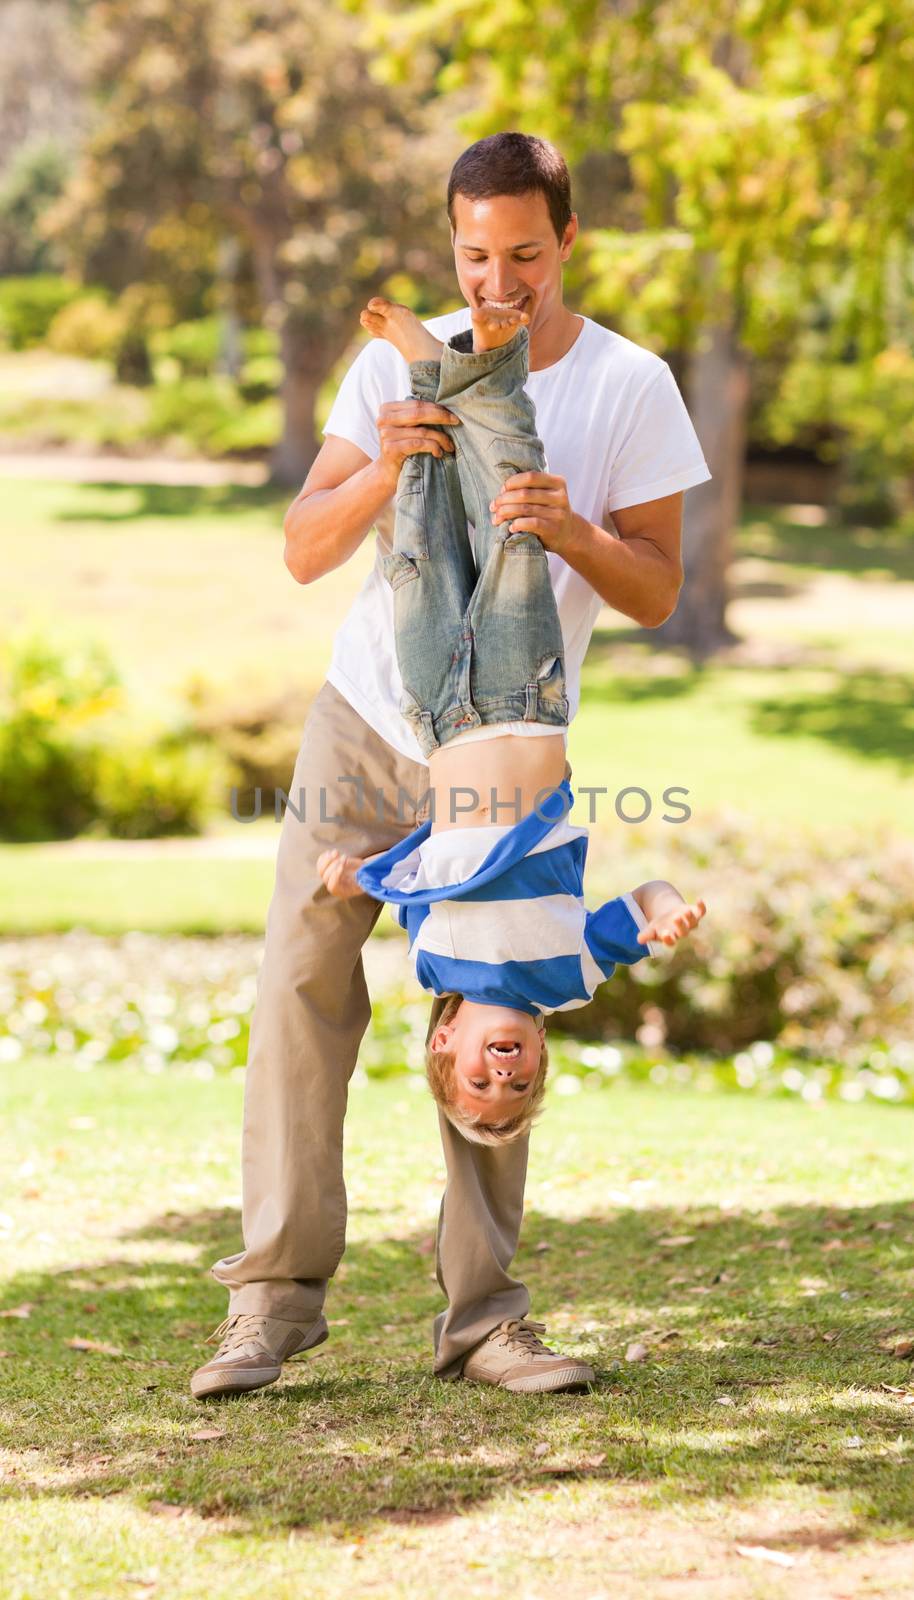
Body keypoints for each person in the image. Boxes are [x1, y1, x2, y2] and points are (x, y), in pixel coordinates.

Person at [190, 131, 711, 1402]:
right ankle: (270, 1304)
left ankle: (483, 1322)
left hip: (497, 752)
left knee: (497, 1002)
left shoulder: (629, 386)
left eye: (522, 254)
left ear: (566, 240)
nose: (495, 281)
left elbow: (654, 589)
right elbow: (305, 550)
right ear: (452, 245)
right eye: (473, 255)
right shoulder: (392, 355)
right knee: (300, 983)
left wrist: (569, 529)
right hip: (366, 717)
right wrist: (382, 466)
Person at [316, 298, 707, 1153]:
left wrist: (356, 877)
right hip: (526, 697)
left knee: (417, 542)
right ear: (538, 1058)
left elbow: (414, 870)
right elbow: (638, 904)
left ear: (442, 1043)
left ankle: (429, 367)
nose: (503, 1072)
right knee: (515, 532)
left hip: (437, 716)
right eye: (519, 1083)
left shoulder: (430, 963)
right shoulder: (569, 976)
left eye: (479, 1082)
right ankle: (496, 362)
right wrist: (668, 911)